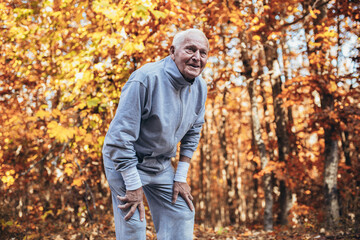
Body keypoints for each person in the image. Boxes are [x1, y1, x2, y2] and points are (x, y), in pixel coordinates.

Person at [102, 28, 209, 240]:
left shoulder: (200, 87)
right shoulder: (145, 79)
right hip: (126, 162)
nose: (197, 57)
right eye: (190, 49)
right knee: (134, 224)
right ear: (172, 51)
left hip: (160, 164)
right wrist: (133, 186)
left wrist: (180, 177)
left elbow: (193, 132)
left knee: (182, 212)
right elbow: (119, 139)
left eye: (203, 52)